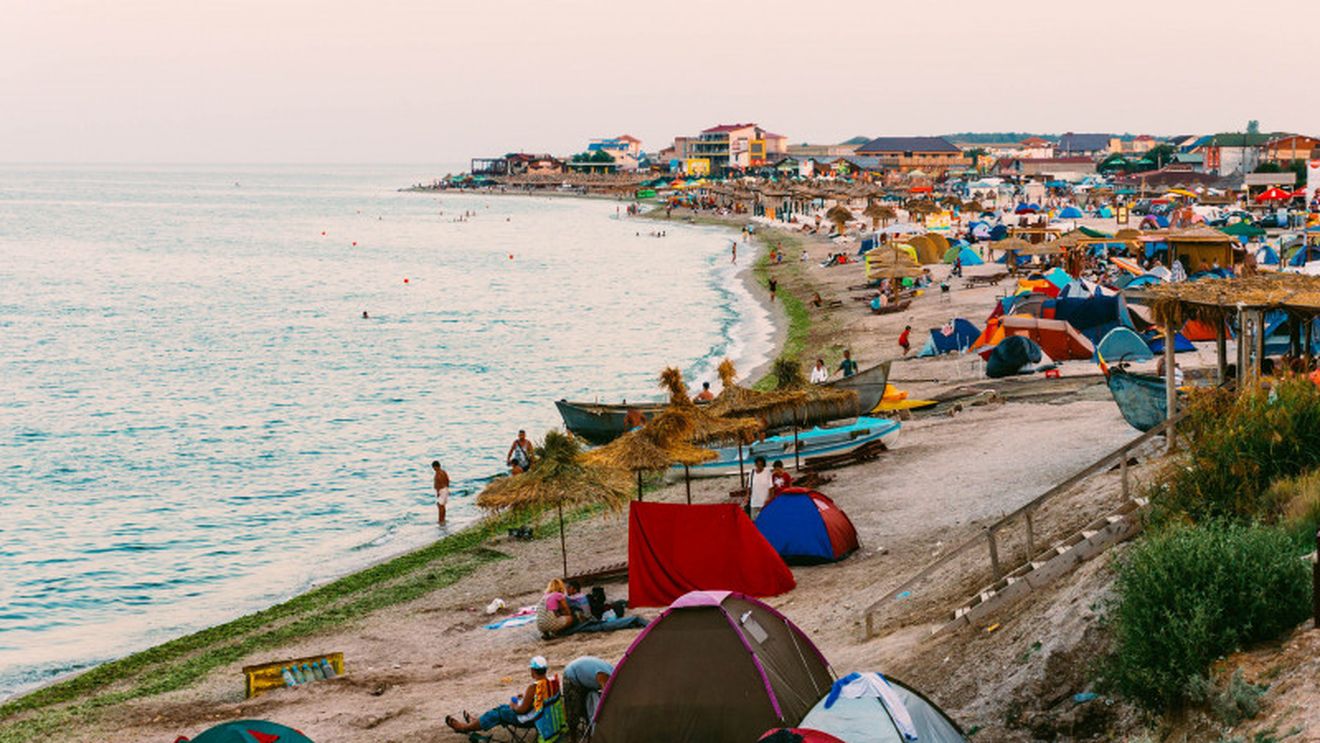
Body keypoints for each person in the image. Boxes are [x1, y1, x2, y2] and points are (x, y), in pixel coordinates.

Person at [445, 656, 554, 734]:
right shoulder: (550, 682)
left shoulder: (534, 687)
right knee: (500, 708)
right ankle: (475, 722)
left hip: (529, 720)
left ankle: (464, 728)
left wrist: (513, 703)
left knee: (497, 714)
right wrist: (524, 699)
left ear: (533, 670)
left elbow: (521, 710)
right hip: (541, 717)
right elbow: (536, 702)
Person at [563, 656, 613, 741]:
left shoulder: (613, 673)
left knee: (588, 708)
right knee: (573, 711)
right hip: (572, 676)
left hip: (585, 677)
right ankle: (573, 738)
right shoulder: (605, 677)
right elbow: (606, 697)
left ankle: (591, 732)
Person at [431, 460, 450, 524]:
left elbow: (438, 483)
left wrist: (438, 492)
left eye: (433, 467)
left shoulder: (438, 473)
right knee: (443, 505)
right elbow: (448, 480)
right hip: (445, 489)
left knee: (440, 506)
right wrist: (447, 488)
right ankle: (443, 519)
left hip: (441, 490)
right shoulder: (444, 472)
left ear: (436, 467)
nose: (433, 469)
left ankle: (440, 520)